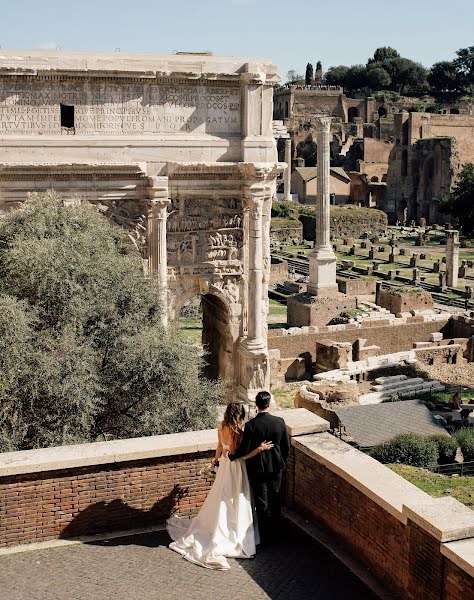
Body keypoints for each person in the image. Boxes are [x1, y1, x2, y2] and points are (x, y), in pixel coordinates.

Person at [166, 402, 273, 570]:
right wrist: (259, 448)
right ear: (240, 414)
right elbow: (242, 455)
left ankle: (217, 526)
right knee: (236, 496)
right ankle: (235, 532)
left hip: (224, 465)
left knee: (221, 495)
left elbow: (219, 446)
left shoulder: (221, 426)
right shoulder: (239, 432)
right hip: (236, 467)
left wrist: (215, 461)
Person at [229, 390, 290, 543]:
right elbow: (286, 447)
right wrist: (282, 462)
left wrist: (232, 456)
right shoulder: (280, 422)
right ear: (268, 405)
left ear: (256, 405)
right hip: (276, 467)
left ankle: (265, 536)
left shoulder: (251, 426)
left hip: (257, 469)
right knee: (275, 499)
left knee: (261, 502)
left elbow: (245, 449)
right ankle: (278, 533)